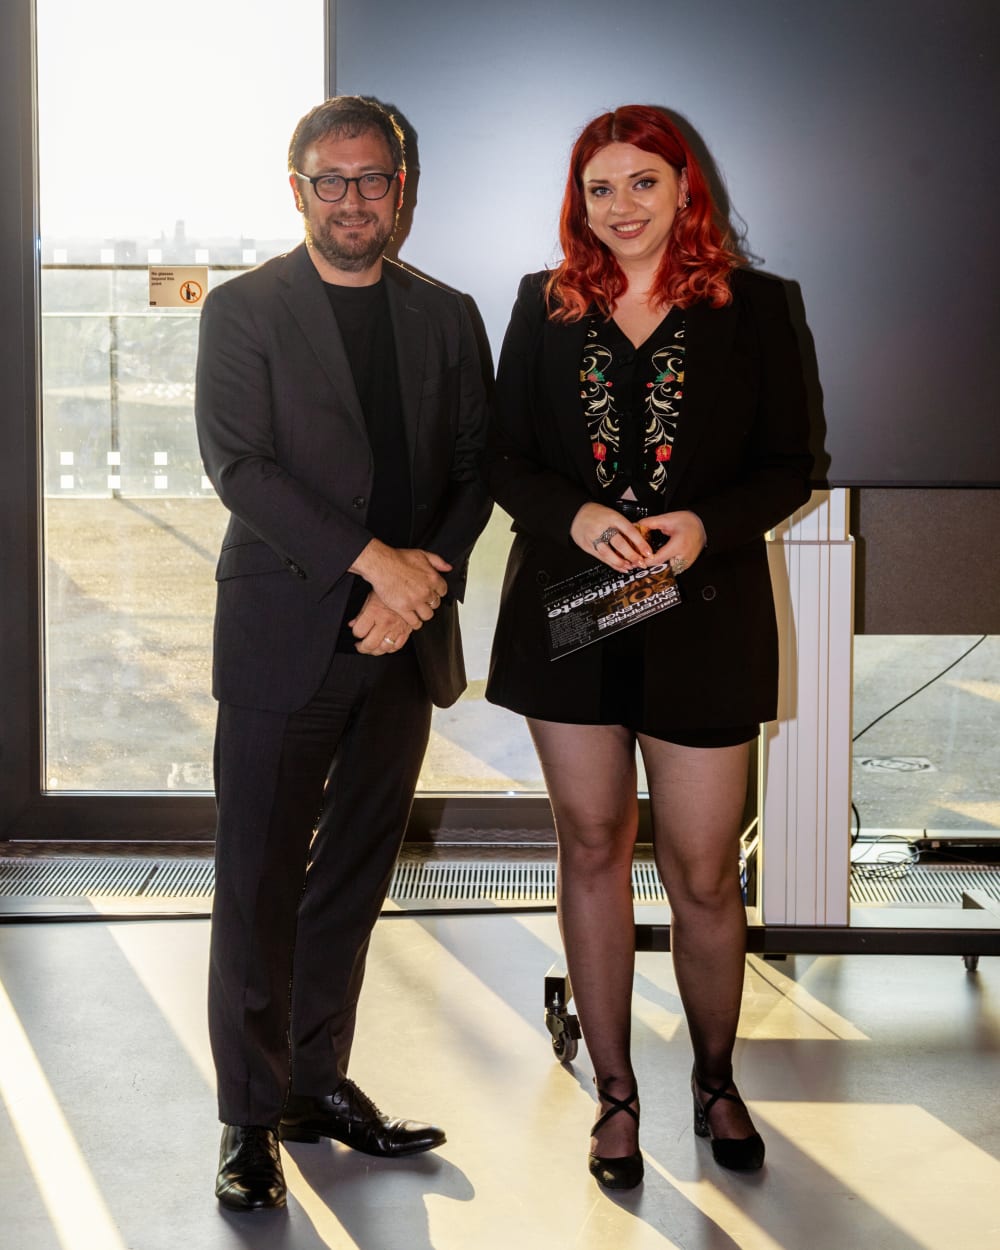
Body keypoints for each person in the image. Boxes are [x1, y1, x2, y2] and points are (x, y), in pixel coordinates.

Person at [485, 105, 813, 1190]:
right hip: (570, 614)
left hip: (704, 614)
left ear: (685, 191)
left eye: (641, 184)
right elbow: (503, 456)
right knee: (589, 844)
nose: (619, 207)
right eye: (598, 188)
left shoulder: (756, 306)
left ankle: (715, 1079)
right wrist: (573, 518)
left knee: (704, 872)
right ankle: (615, 1092)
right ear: (578, 201)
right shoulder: (544, 307)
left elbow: (789, 463)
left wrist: (703, 526)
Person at [195, 95, 491, 1212]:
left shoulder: (448, 316)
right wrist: (379, 563)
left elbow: (475, 467)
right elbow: (243, 469)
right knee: (258, 882)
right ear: (298, 188)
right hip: (285, 631)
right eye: (334, 180)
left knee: (353, 877)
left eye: (374, 179)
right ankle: (244, 1116)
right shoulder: (244, 311)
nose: (355, 199)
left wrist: (415, 594)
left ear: (400, 187)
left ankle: (314, 1087)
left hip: (395, 645)